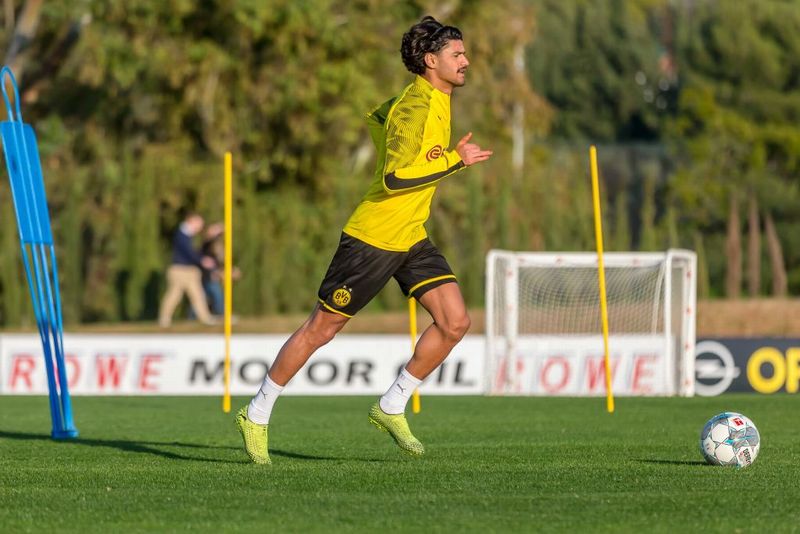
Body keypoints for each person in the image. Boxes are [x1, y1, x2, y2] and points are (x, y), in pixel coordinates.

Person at [236, 15, 492, 464]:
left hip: (410, 235)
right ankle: (255, 414)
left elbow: (376, 117)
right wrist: (454, 161)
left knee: (455, 322)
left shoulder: (433, 100)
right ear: (431, 61)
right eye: (457, 54)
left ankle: (391, 406)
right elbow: (393, 179)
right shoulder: (414, 108)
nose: (466, 61)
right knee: (321, 329)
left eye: (464, 52)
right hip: (373, 237)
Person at [158, 213, 218, 327]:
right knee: (175, 295)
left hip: (190, 270)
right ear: (192, 221)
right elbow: (188, 252)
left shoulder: (190, 235)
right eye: (199, 223)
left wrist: (211, 237)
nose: (200, 226)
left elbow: (199, 249)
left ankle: (205, 318)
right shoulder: (182, 234)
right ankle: (164, 318)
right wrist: (202, 260)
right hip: (181, 270)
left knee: (198, 295)